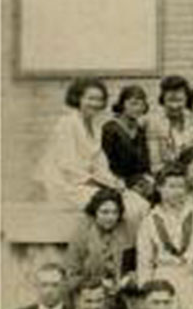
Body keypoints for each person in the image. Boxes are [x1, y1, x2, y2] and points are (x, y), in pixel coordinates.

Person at [37, 77, 147, 219]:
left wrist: (115, 183)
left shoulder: (96, 128)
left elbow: (100, 165)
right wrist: (100, 185)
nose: (95, 104)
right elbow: (68, 167)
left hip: (89, 184)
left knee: (139, 203)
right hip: (67, 186)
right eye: (90, 99)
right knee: (123, 206)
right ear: (78, 99)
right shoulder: (67, 124)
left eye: (99, 99)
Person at [135, 162, 193, 309]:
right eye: (171, 186)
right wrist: (146, 293)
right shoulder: (150, 220)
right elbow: (144, 261)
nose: (177, 191)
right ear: (160, 188)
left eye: (181, 186)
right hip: (164, 278)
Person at [65, 187, 137, 306]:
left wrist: (125, 281)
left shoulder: (127, 234)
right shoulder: (82, 236)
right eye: (105, 212)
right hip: (90, 299)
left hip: (123, 299)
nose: (110, 217)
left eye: (115, 212)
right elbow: (72, 274)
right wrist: (98, 282)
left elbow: (136, 266)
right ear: (95, 212)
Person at [101, 84, 155, 202]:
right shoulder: (110, 129)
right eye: (133, 103)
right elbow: (104, 162)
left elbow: (145, 162)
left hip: (137, 181)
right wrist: (118, 182)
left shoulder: (140, 130)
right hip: (116, 181)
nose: (137, 108)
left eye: (141, 104)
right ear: (122, 104)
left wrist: (148, 178)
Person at [147, 75, 193, 173]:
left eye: (179, 100)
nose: (174, 106)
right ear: (163, 100)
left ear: (186, 100)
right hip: (165, 178)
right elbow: (155, 164)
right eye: (170, 100)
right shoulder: (154, 123)